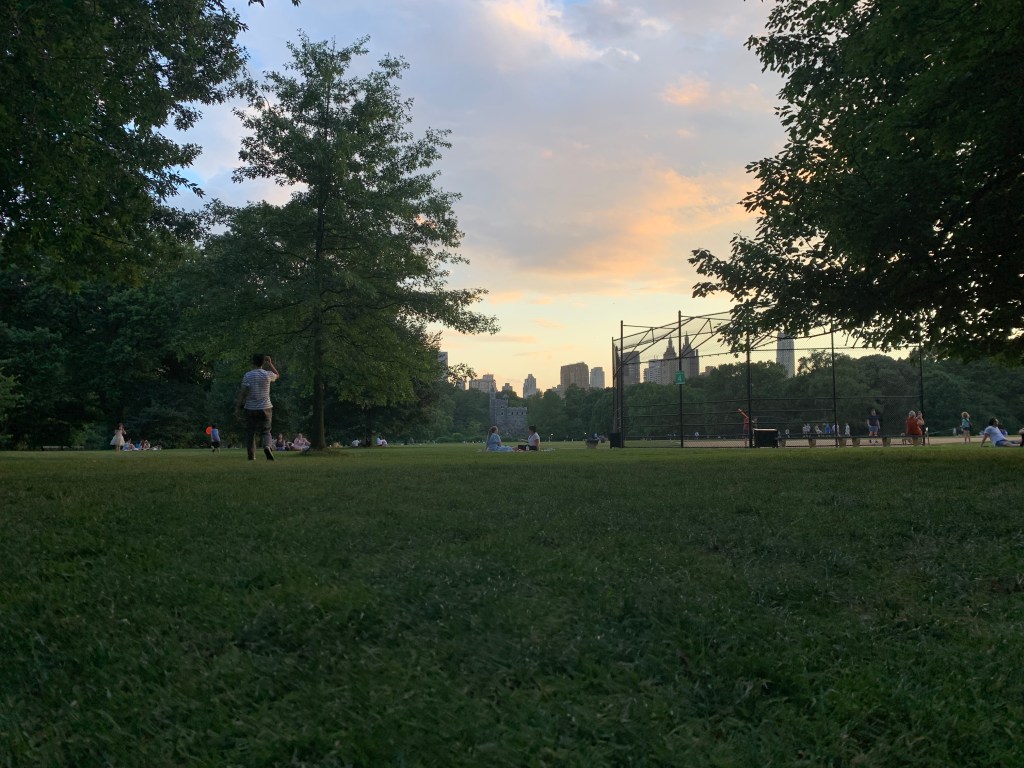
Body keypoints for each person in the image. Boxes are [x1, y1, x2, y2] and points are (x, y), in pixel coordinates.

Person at [237, 353, 280, 461]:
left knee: (250, 432)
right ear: (263, 362)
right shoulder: (267, 374)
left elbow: (243, 392)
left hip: (250, 408)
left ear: (253, 362)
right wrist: (270, 363)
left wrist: (238, 407)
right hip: (266, 407)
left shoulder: (248, 375)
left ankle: (251, 456)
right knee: (266, 431)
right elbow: (277, 375)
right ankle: (267, 446)